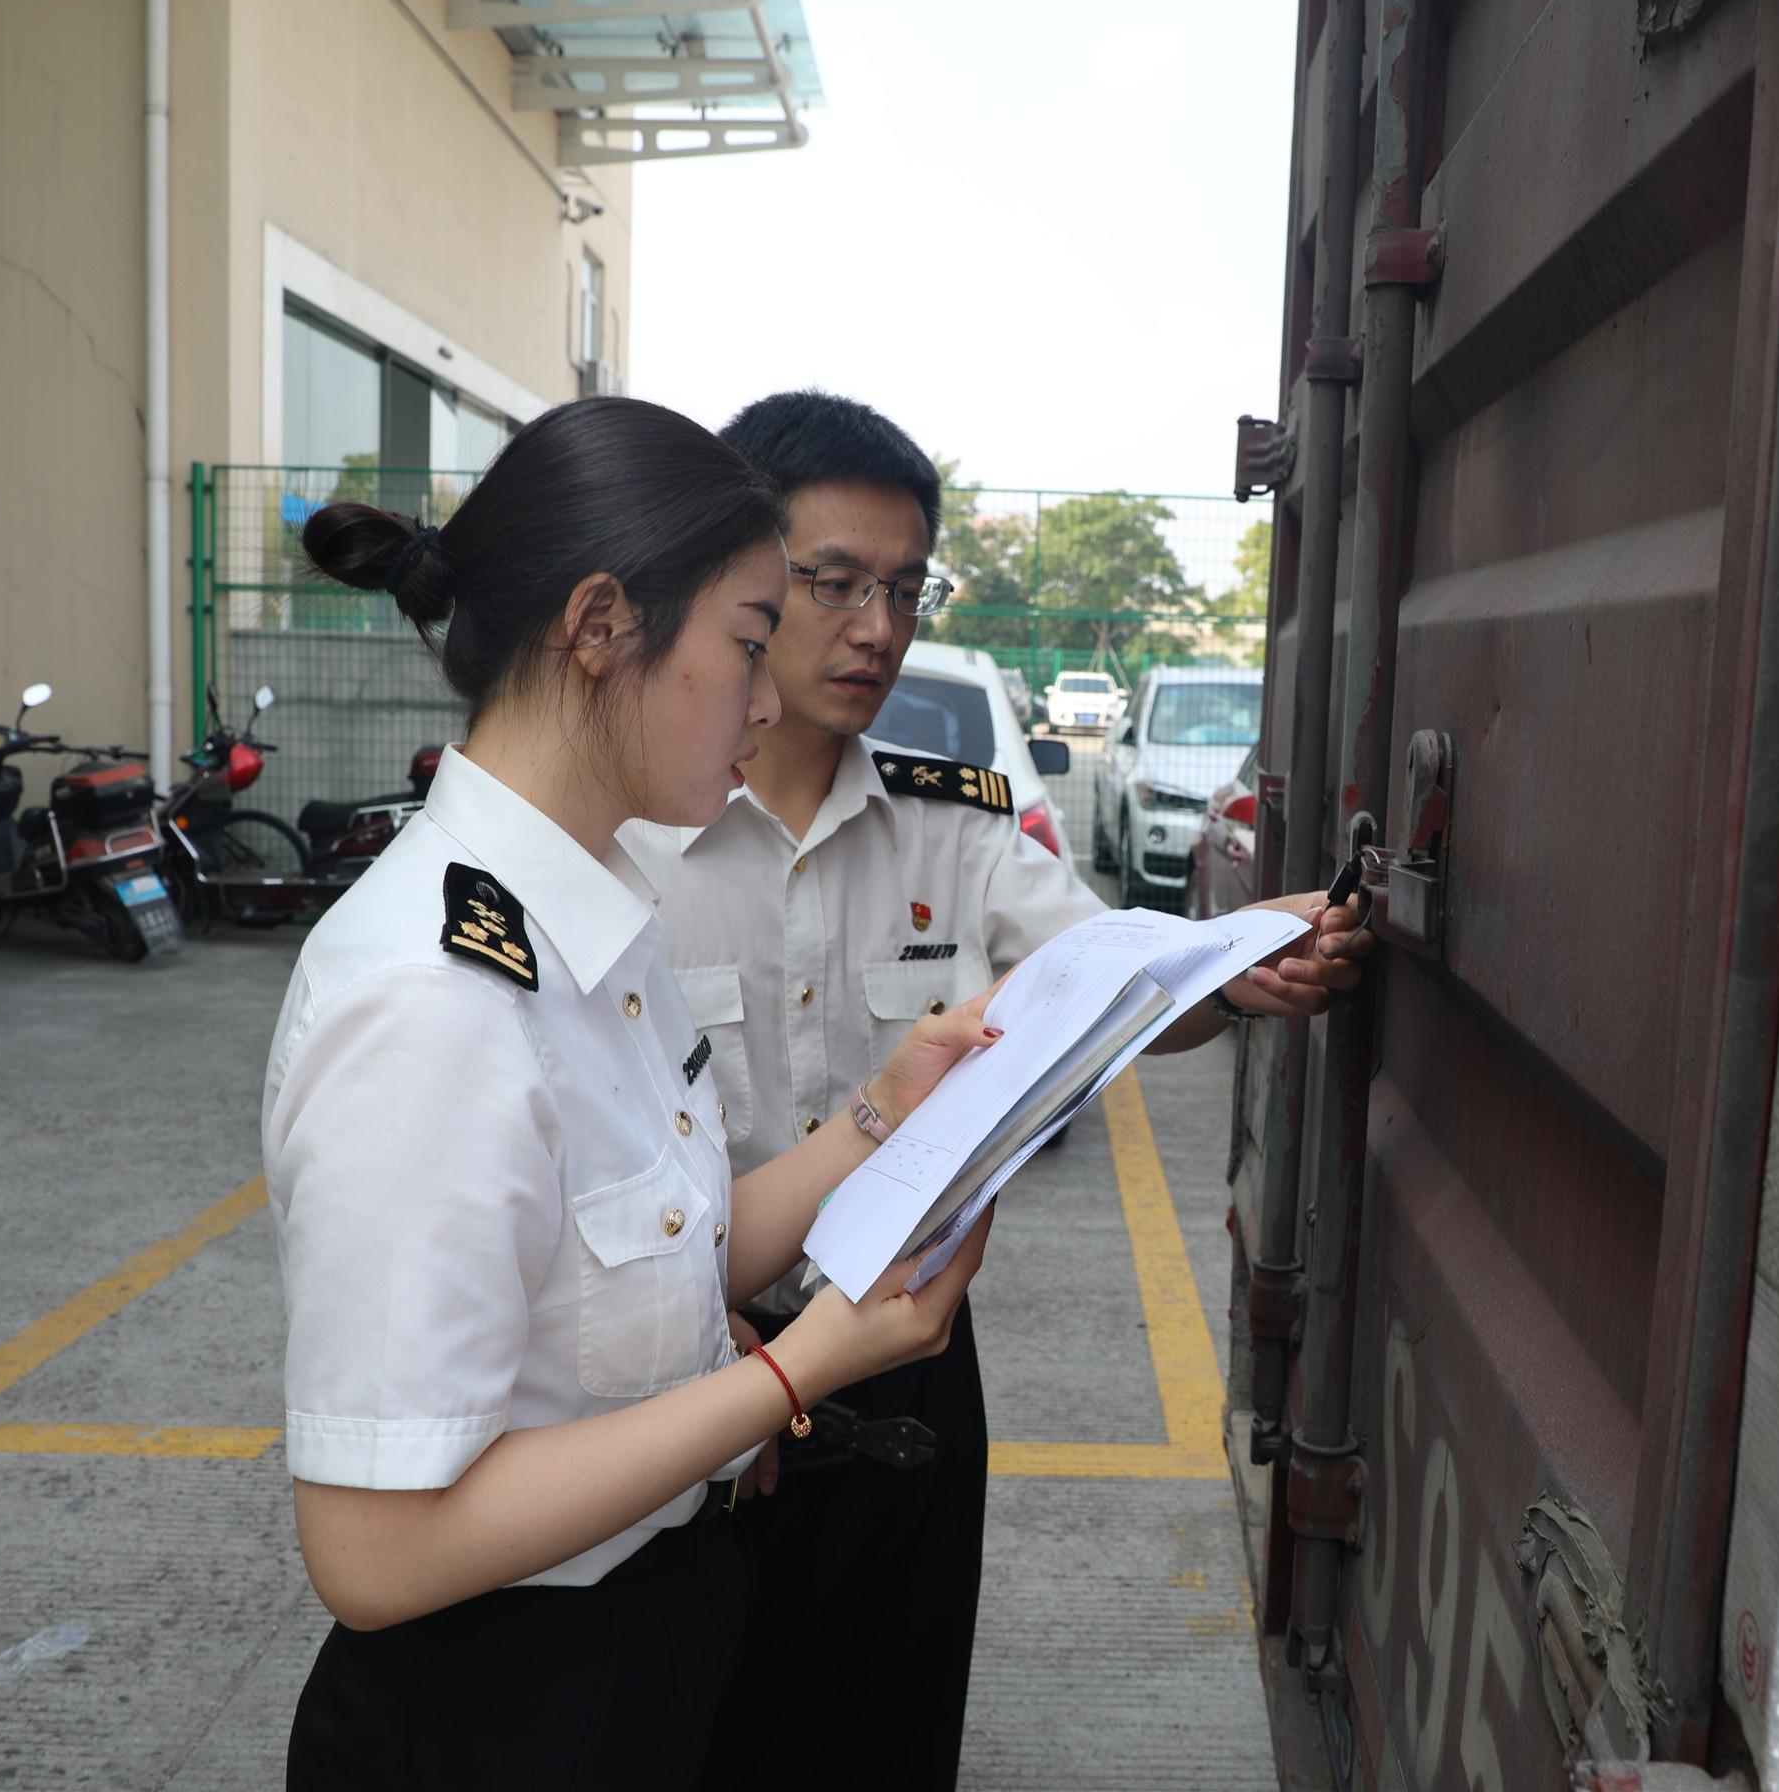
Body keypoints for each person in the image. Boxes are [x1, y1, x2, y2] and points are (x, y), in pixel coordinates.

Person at [617, 390, 1370, 1790]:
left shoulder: (957, 829)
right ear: (737, 575)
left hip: (905, 1372)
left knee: (890, 1739)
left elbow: (1121, 981)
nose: (879, 627)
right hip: (682, 1373)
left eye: (906, 588)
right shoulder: (625, 843)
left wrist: (1243, 970)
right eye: (835, 581)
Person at [264, 396, 1010, 1790]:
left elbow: (660, 1261)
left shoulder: (592, 921)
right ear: (603, 627)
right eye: (746, 641)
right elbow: (375, 1553)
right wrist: (797, 1371)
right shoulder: (432, 998)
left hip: (652, 1646)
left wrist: (877, 1117)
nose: (772, 697)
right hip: (502, 1711)